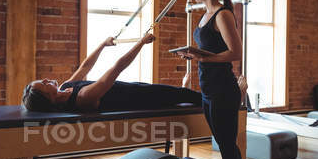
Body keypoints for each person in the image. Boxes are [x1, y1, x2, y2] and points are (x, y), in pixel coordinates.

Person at [182, 0, 252, 159]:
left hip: (223, 89)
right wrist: (194, 55)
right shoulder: (204, 16)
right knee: (225, 141)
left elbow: (235, 53)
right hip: (208, 88)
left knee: (225, 145)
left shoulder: (222, 15)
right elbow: (212, 51)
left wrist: (202, 59)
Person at [22, 34, 202, 113]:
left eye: (42, 80)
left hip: (135, 88)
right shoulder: (83, 97)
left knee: (180, 94)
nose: (46, 79)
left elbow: (85, 67)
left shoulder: (65, 87)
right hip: (142, 100)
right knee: (185, 95)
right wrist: (141, 42)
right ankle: (226, 105)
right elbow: (117, 68)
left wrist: (102, 44)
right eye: (44, 85)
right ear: (50, 99)